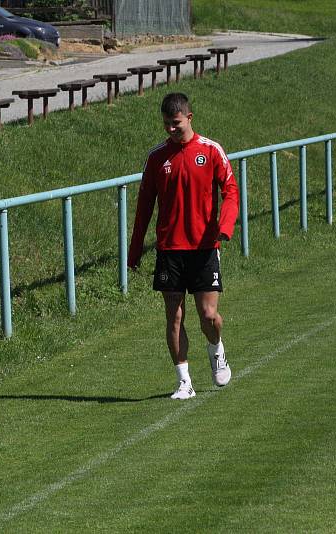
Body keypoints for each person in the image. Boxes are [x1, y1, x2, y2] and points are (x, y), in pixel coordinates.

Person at [128, 92, 239, 400]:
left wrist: (225, 226)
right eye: (166, 124)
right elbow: (143, 207)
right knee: (174, 316)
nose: (170, 130)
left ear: (189, 118)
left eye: (175, 123)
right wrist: (134, 250)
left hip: (204, 248)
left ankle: (217, 349)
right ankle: (184, 382)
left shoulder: (211, 150)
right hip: (170, 250)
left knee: (208, 316)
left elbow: (230, 191)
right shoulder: (156, 158)